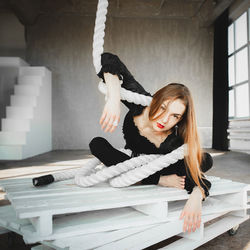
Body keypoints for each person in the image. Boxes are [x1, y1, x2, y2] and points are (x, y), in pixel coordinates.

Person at [89, 52, 213, 234]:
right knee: (97, 144)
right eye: (163, 107)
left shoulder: (175, 143)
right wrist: (114, 99)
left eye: (175, 116)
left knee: (204, 159)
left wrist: (196, 197)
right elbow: (108, 59)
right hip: (132, 162)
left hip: (161, 166)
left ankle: (159, 178)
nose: (165, 118)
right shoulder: (142, 102)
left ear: (180, 120)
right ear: (157, 99)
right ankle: (157, 180)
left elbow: (196, 180)